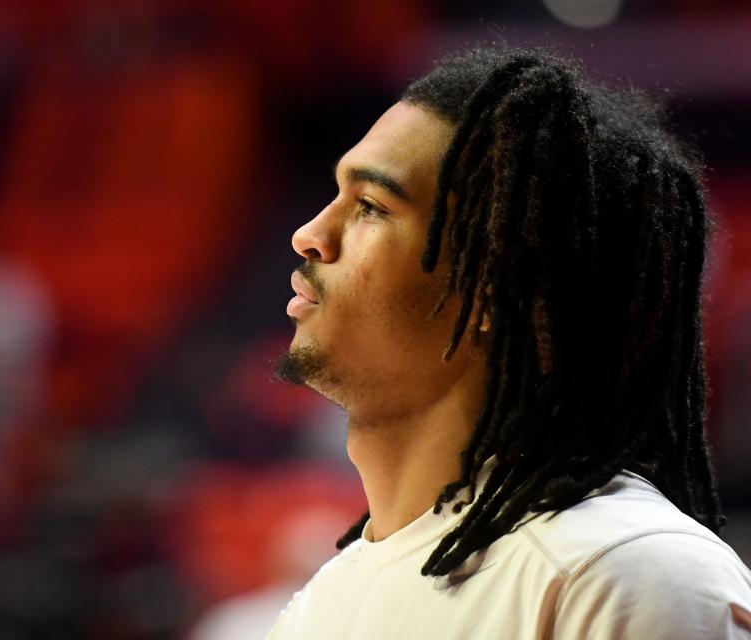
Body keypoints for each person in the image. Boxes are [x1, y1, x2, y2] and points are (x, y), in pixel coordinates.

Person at [268, 46, 751, 639]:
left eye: (369, 206)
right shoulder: (320, 604)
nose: (309, 235)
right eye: (334, 196)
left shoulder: (625, 573)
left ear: (492, 287)